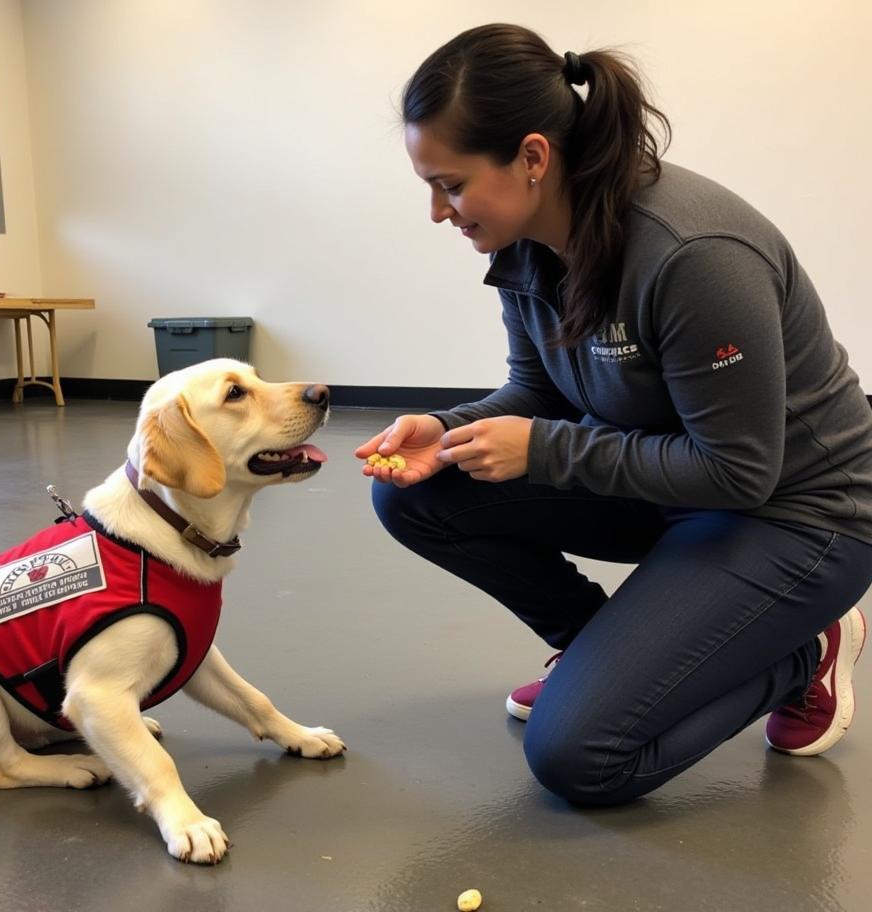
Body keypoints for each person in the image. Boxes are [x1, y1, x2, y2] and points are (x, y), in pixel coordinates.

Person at [355, 23, 872, 806]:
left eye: (452, 184)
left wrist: (545, 450)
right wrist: (450, 426)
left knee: (577, 757)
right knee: (413, 491)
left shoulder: (693, 255)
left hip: (796, 514)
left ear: (532, 157)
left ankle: (805, 648)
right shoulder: (525, 245)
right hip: (674, 484)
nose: (438, 211)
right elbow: (538, 392)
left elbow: (738, 470)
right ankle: (593, 652)